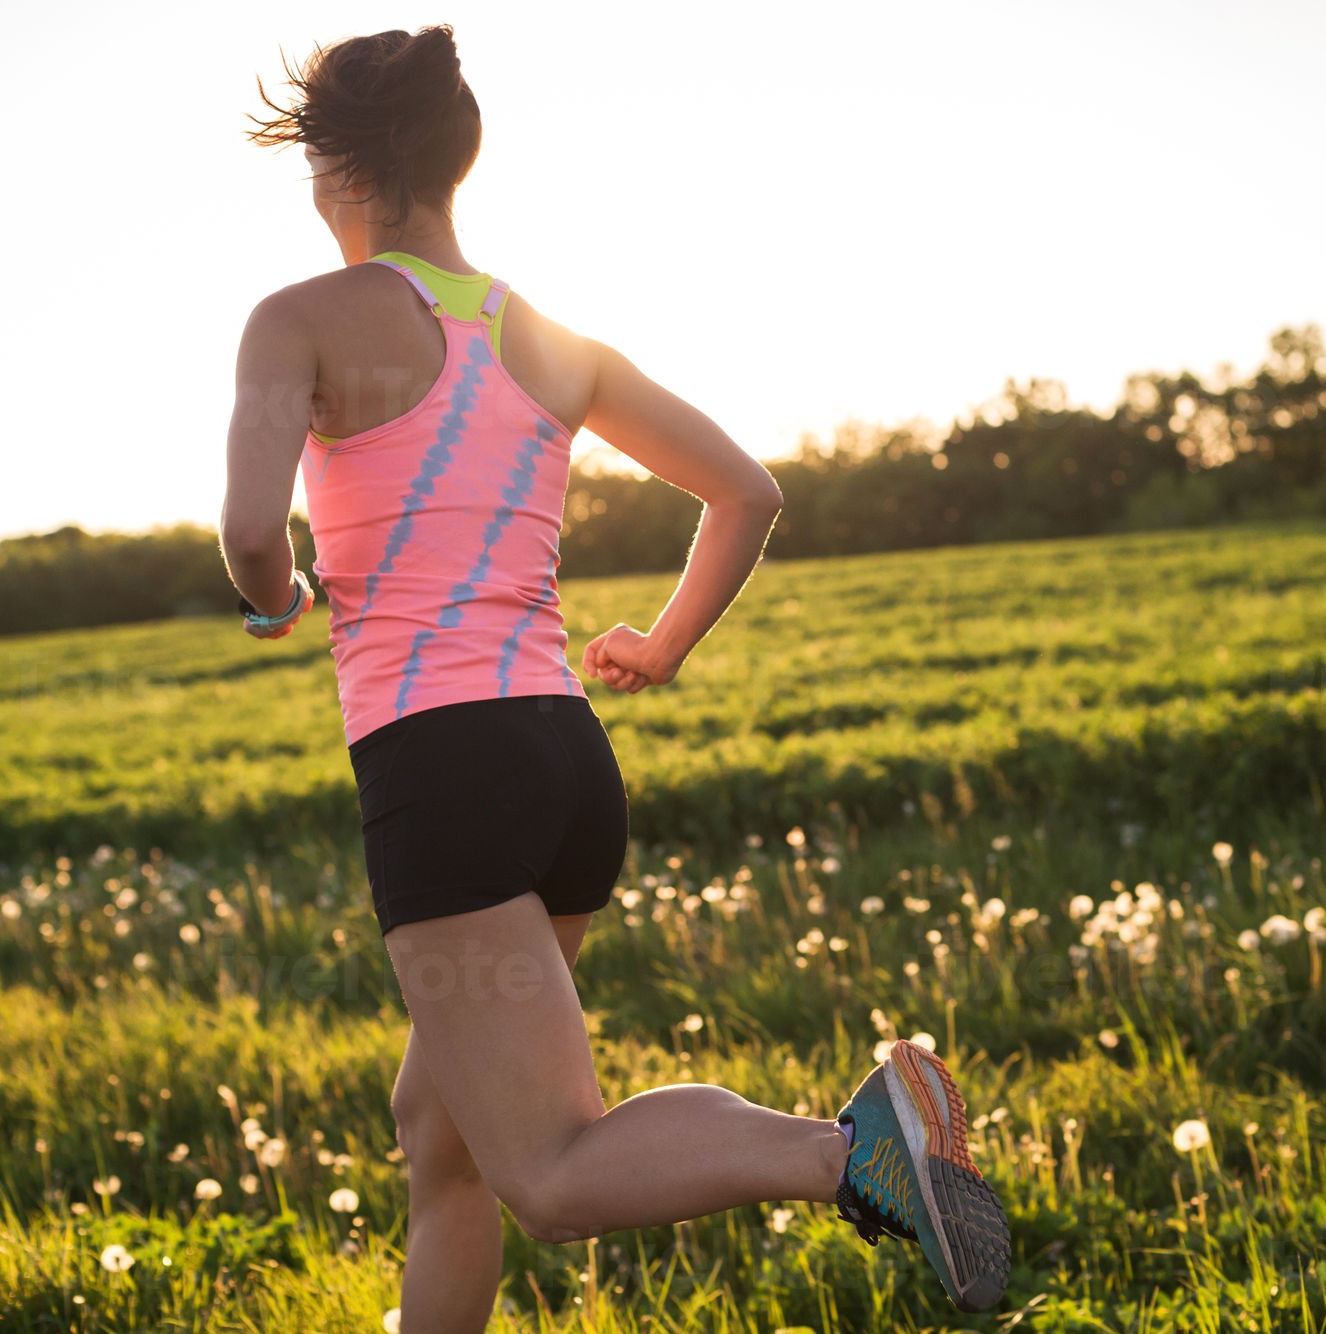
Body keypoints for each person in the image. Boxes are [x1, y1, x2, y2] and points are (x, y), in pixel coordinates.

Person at [221, 23, 1010, 1330]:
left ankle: (854, 1149)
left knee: (548, 1169)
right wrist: (662, 643)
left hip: (444, 769)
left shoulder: (297, 320)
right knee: (445, 1132)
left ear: (335, 170)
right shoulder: (550, 339)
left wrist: (281, 603)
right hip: (562, 765)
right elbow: (745, 491)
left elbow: (253, 537)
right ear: (457, 163)